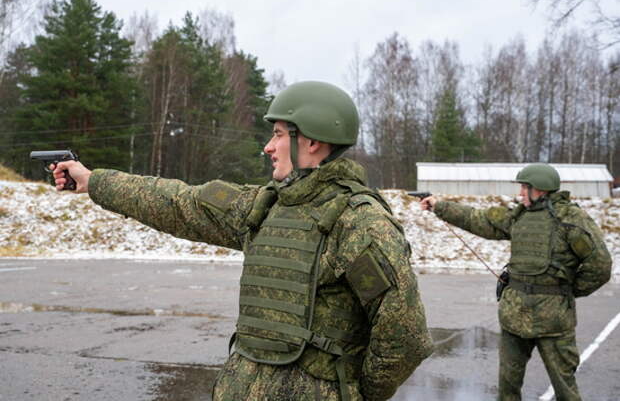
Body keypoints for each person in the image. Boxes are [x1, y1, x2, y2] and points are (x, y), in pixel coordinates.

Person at [52, 81, 434, 401]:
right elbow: (176, 201)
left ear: (313, 141)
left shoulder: (360, 223)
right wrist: (93, 180)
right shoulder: (264, 206)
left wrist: (347, 392)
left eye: (280, 135)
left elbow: (404, 337)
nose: (268, 146)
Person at [420, 163, 612, 401]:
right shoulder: (519, 215)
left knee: (565, 389)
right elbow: (479, 219)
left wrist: (567, 291)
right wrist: (439, 206)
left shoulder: (571, 219)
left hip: (553, 322)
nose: (520, 192)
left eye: (524, 187)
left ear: (540, 189)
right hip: (514, 318)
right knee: (508, 388)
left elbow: (600, 266)